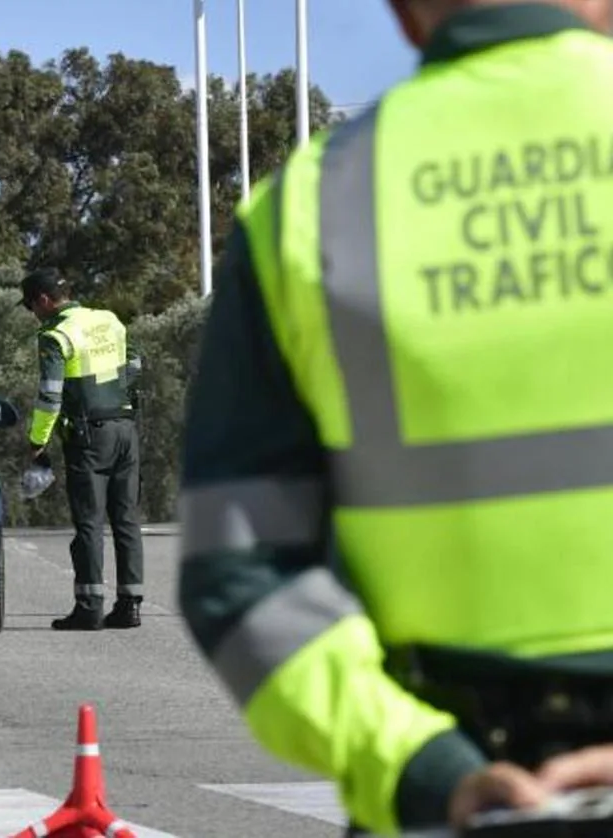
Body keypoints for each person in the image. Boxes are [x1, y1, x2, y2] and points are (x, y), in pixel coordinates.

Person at [175, 1, 613, 835]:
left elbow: (239, 575)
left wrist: (419, 768)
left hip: (451, 792)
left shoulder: (307, 209)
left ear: (403, 12)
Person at [19, 267, 146, 631]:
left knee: (89, 522)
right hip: (125, 428)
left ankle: (89, 606)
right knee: (125, 519)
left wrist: (37, 440)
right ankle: (130, 605)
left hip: (90, 436)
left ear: (43, 300)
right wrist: (112, 392)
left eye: (31, 307)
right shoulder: (109, 320)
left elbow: (50, 395)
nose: (34, 314)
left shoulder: (55, 335)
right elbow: (135, 363)